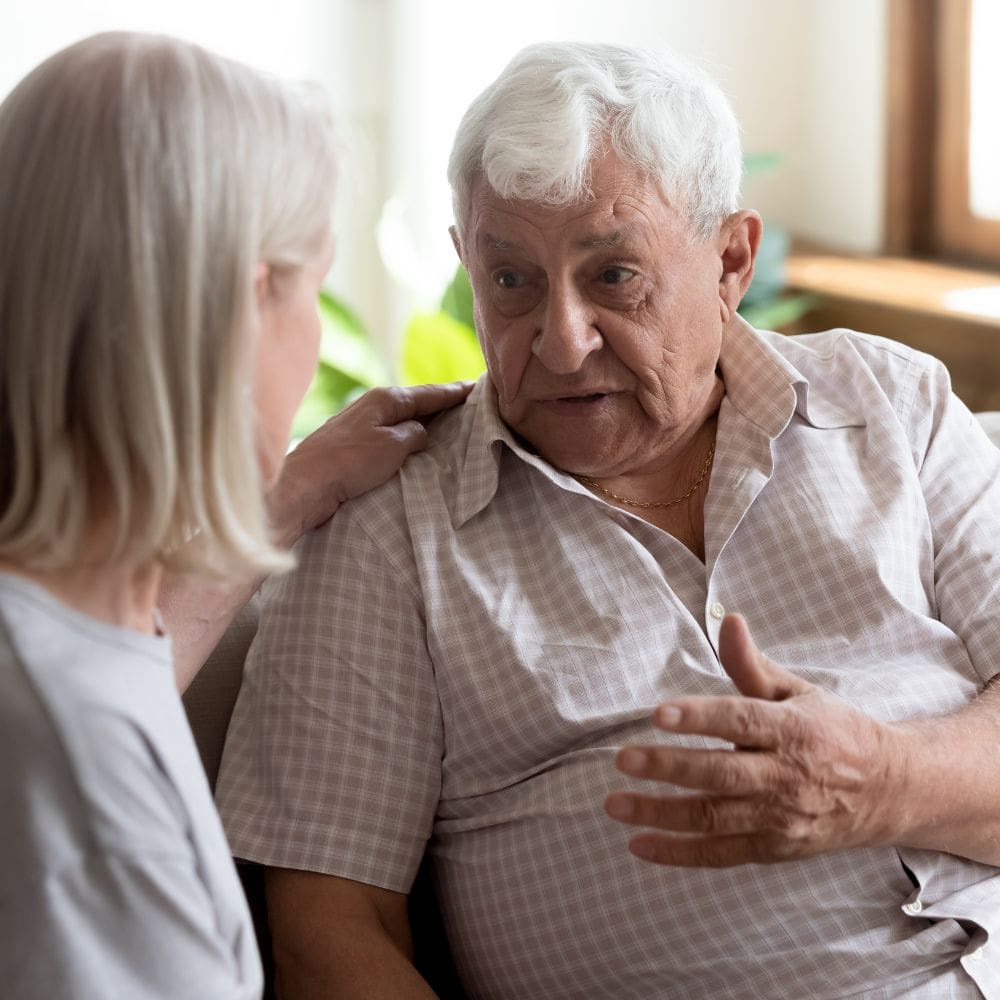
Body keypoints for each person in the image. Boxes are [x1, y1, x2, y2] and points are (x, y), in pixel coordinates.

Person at [216, 41, 1000, 999]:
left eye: (614, 276)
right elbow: (328, 935)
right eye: (509, 281)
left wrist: (884, 782)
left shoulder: (896, 403)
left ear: (729, 259)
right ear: (465, 264)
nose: (560, 340)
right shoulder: (387, 523)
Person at [0, 31, 469, 1000]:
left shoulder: (57, 634)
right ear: (245, 308)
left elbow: (108, 670)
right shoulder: (79, 788)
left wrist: (283, 498)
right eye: (312, 285)